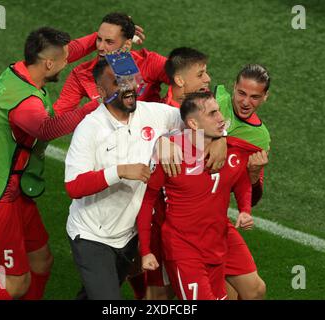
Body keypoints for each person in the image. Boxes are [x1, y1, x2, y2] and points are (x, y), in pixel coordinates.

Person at [64, 55, 227, 299]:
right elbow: (73, 186)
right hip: (92, 236)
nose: (129, 87)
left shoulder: (154, 114)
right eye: (119, 82)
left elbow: (201, 120)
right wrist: (120, 171)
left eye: (131, 78)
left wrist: (221, 139)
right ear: (100, 90)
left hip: (128, 235)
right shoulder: (90, 129)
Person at [0, 27, 99, 300]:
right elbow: (45, 129)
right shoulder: (24, 101)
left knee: (41, 261)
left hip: (13, 189)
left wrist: (99, 38)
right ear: (48, 63)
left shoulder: (18, 73)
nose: (68, 63)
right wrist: (92, 108)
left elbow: (68, 51)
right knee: (15, 283)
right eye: (63, 60)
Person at [137, 92, 254, 300]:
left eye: (218, 111)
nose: (221, 118)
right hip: (183, 249)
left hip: (215, 246)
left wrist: (245, 209)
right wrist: (146, 250)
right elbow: (147, 201)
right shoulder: (172, 155)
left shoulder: (229, 150)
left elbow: (241, 177)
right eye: (212, 114)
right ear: (192, 123)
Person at [215, 64, 271, 299]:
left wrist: (253, 174)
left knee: (254, 291)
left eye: (255, 97)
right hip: (183, 205)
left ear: (265, 97)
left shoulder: (259, 137)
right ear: (233, 87)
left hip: (215, 215)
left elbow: (254, 197)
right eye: (242, 93)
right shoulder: (215, 100)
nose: (246, 102)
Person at [53, 12, 169, 116]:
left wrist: (162, 114)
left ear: (127, 45)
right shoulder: (82, 74)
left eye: (109, 41)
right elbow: (56, 121)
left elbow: (184, 79)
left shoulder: (149, 62)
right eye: (99, 39)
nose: (100, 47)